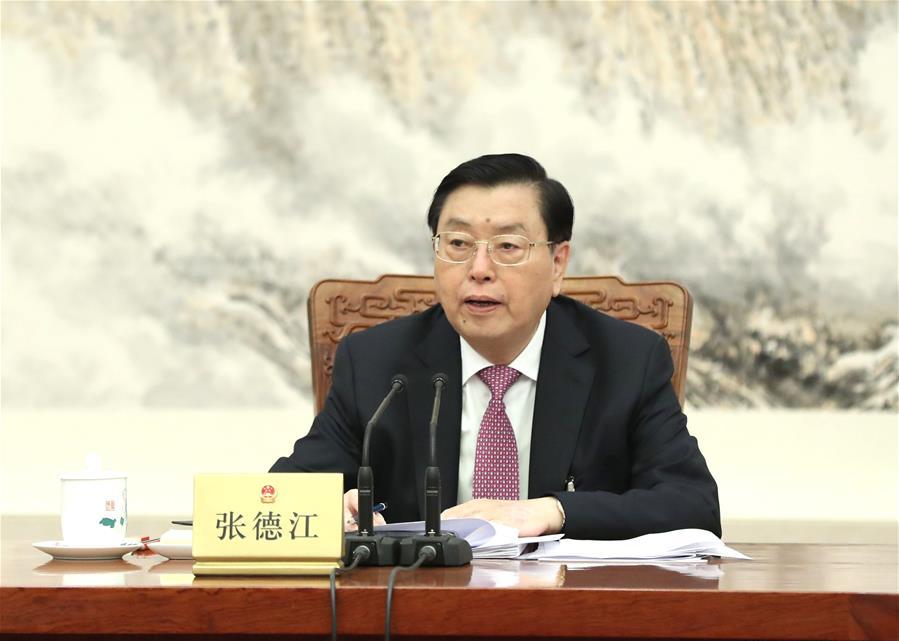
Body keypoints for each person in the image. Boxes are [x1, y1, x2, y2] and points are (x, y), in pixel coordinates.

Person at [270, 153, 720, 539]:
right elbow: (275, 502)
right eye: (459, 244)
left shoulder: (627, 360)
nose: (479, 268)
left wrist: (551, 511)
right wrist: (332, 511)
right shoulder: (375, 363)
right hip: (415, 614)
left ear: (558, 264)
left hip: (569, 616)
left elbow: (694, 505)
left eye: (508, 245)